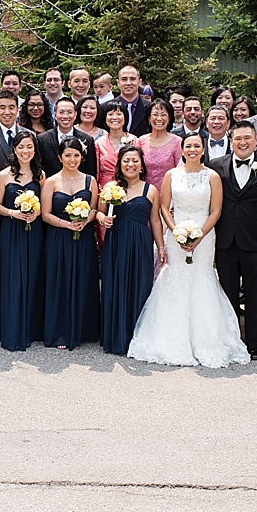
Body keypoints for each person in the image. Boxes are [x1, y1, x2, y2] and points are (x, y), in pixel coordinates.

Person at [128, 134, 249, 367]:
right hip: (176, 234)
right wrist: (175, 232)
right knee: (176, 277)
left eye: (197, 146)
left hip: (205, 234)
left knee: (201, 277)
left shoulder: (212, 176)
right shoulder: (171, 175)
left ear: (203, 149)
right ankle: (172, 338)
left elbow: (216, 210)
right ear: (182, 149)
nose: (192, 149)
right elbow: (164, 207)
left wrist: (200, 235)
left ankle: (206, 340)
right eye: (188, 146)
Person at [207, 123, 257, 359]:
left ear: (256, 139)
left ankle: (253, 344)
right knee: (228, 294)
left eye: (247, 138)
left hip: (256, 242)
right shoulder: (216, 167)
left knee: (255, 295)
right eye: (238, 138)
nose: (243, 142)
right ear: (231, 141)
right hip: (226, 241)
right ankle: (230, 342)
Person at [99, 145, 162, 355]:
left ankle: (136, 338)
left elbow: (155, 221)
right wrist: (102, 219)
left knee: (139, 285)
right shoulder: (110, 187)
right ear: (119, 164)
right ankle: (114, 336)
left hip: (140, 245)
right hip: (116, 242)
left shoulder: (150, 190)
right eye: (126, 160)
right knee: (115, 285)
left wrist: (161, 247)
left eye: (135, 160)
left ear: (142, 165)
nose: (131, 165)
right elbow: (98, 213)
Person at [41, 137, 100, 349]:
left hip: (83, 237)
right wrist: (66, 224)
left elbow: (94, 209)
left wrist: (86, 220)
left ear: (82, 157)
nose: (72, 159)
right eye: (68, 155)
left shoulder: (90, 181)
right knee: (60, 281)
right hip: (58, 238)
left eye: (76, 155)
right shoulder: (51, 182)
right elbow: (45, 213)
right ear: (60, 157)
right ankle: (60, 331)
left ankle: (84, 329)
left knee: (83, 278)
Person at [0, 130, 45, 351]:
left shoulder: (40, 176)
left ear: (35, 150)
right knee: (12, 276)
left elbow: (46, 203)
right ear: (14, 149)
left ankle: (31, 328)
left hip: (34, 230)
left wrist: (36, 212)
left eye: (30, 147)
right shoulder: (4, 175)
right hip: (12, 229)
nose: (26, 151)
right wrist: (13, 213)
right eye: (21, 147)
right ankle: (11, 327)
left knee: (33, 275)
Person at [37, 97, 97, 179]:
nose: (65, 116)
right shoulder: (42, 139)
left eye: (69, 112)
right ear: (55, 115)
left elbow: (91, 172)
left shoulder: (87, 140)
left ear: (75, 115)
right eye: (61, 112)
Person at [137, 99, 181, 189]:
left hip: (169, 193)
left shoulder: (177, 142)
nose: (159, 118)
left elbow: (181, 172)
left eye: (164, 115)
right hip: (144, 193)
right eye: (155, 114)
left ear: (169, 119)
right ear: (149, 118)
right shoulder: (140, 141)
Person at [94, 99, 138, 188]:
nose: (114, 117)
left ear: (125, 117)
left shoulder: (134, 140)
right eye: (110, 114)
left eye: (119, 114)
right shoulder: (99, 143)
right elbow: (97, 172)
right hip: (106, 189)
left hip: (130, 185)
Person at [115, 65, 151, 136]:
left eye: (133, 79)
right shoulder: (106, 108)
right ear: (118, 82)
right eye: (124, 79)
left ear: (140, 82)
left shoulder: (149, 108)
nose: (128, 83)